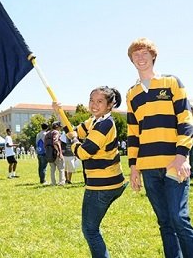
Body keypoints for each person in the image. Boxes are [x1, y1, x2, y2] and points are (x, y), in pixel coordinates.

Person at [126, 38, 193, 257]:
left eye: (145, 53)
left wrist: (182, 156)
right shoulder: (132, 94)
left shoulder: (171, 82)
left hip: (174, 162)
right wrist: (134, 167)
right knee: (164, 222)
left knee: (178, 218)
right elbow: (133, 133)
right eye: (136, 54)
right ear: (131, 60)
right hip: (148, 167)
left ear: (153, 56)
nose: (140, 57)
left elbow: (186, 120)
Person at [56, 86, 126, 258]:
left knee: (90, 230)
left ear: (110, 105)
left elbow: (83, 153)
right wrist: (60, 114)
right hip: (112, 182)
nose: (94, 105)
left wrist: (74, 140)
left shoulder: (105, 124)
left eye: (100, 101)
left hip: (103, 185)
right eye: (92, 100)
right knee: (92, 228)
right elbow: (73, 131)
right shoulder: (95, 120)